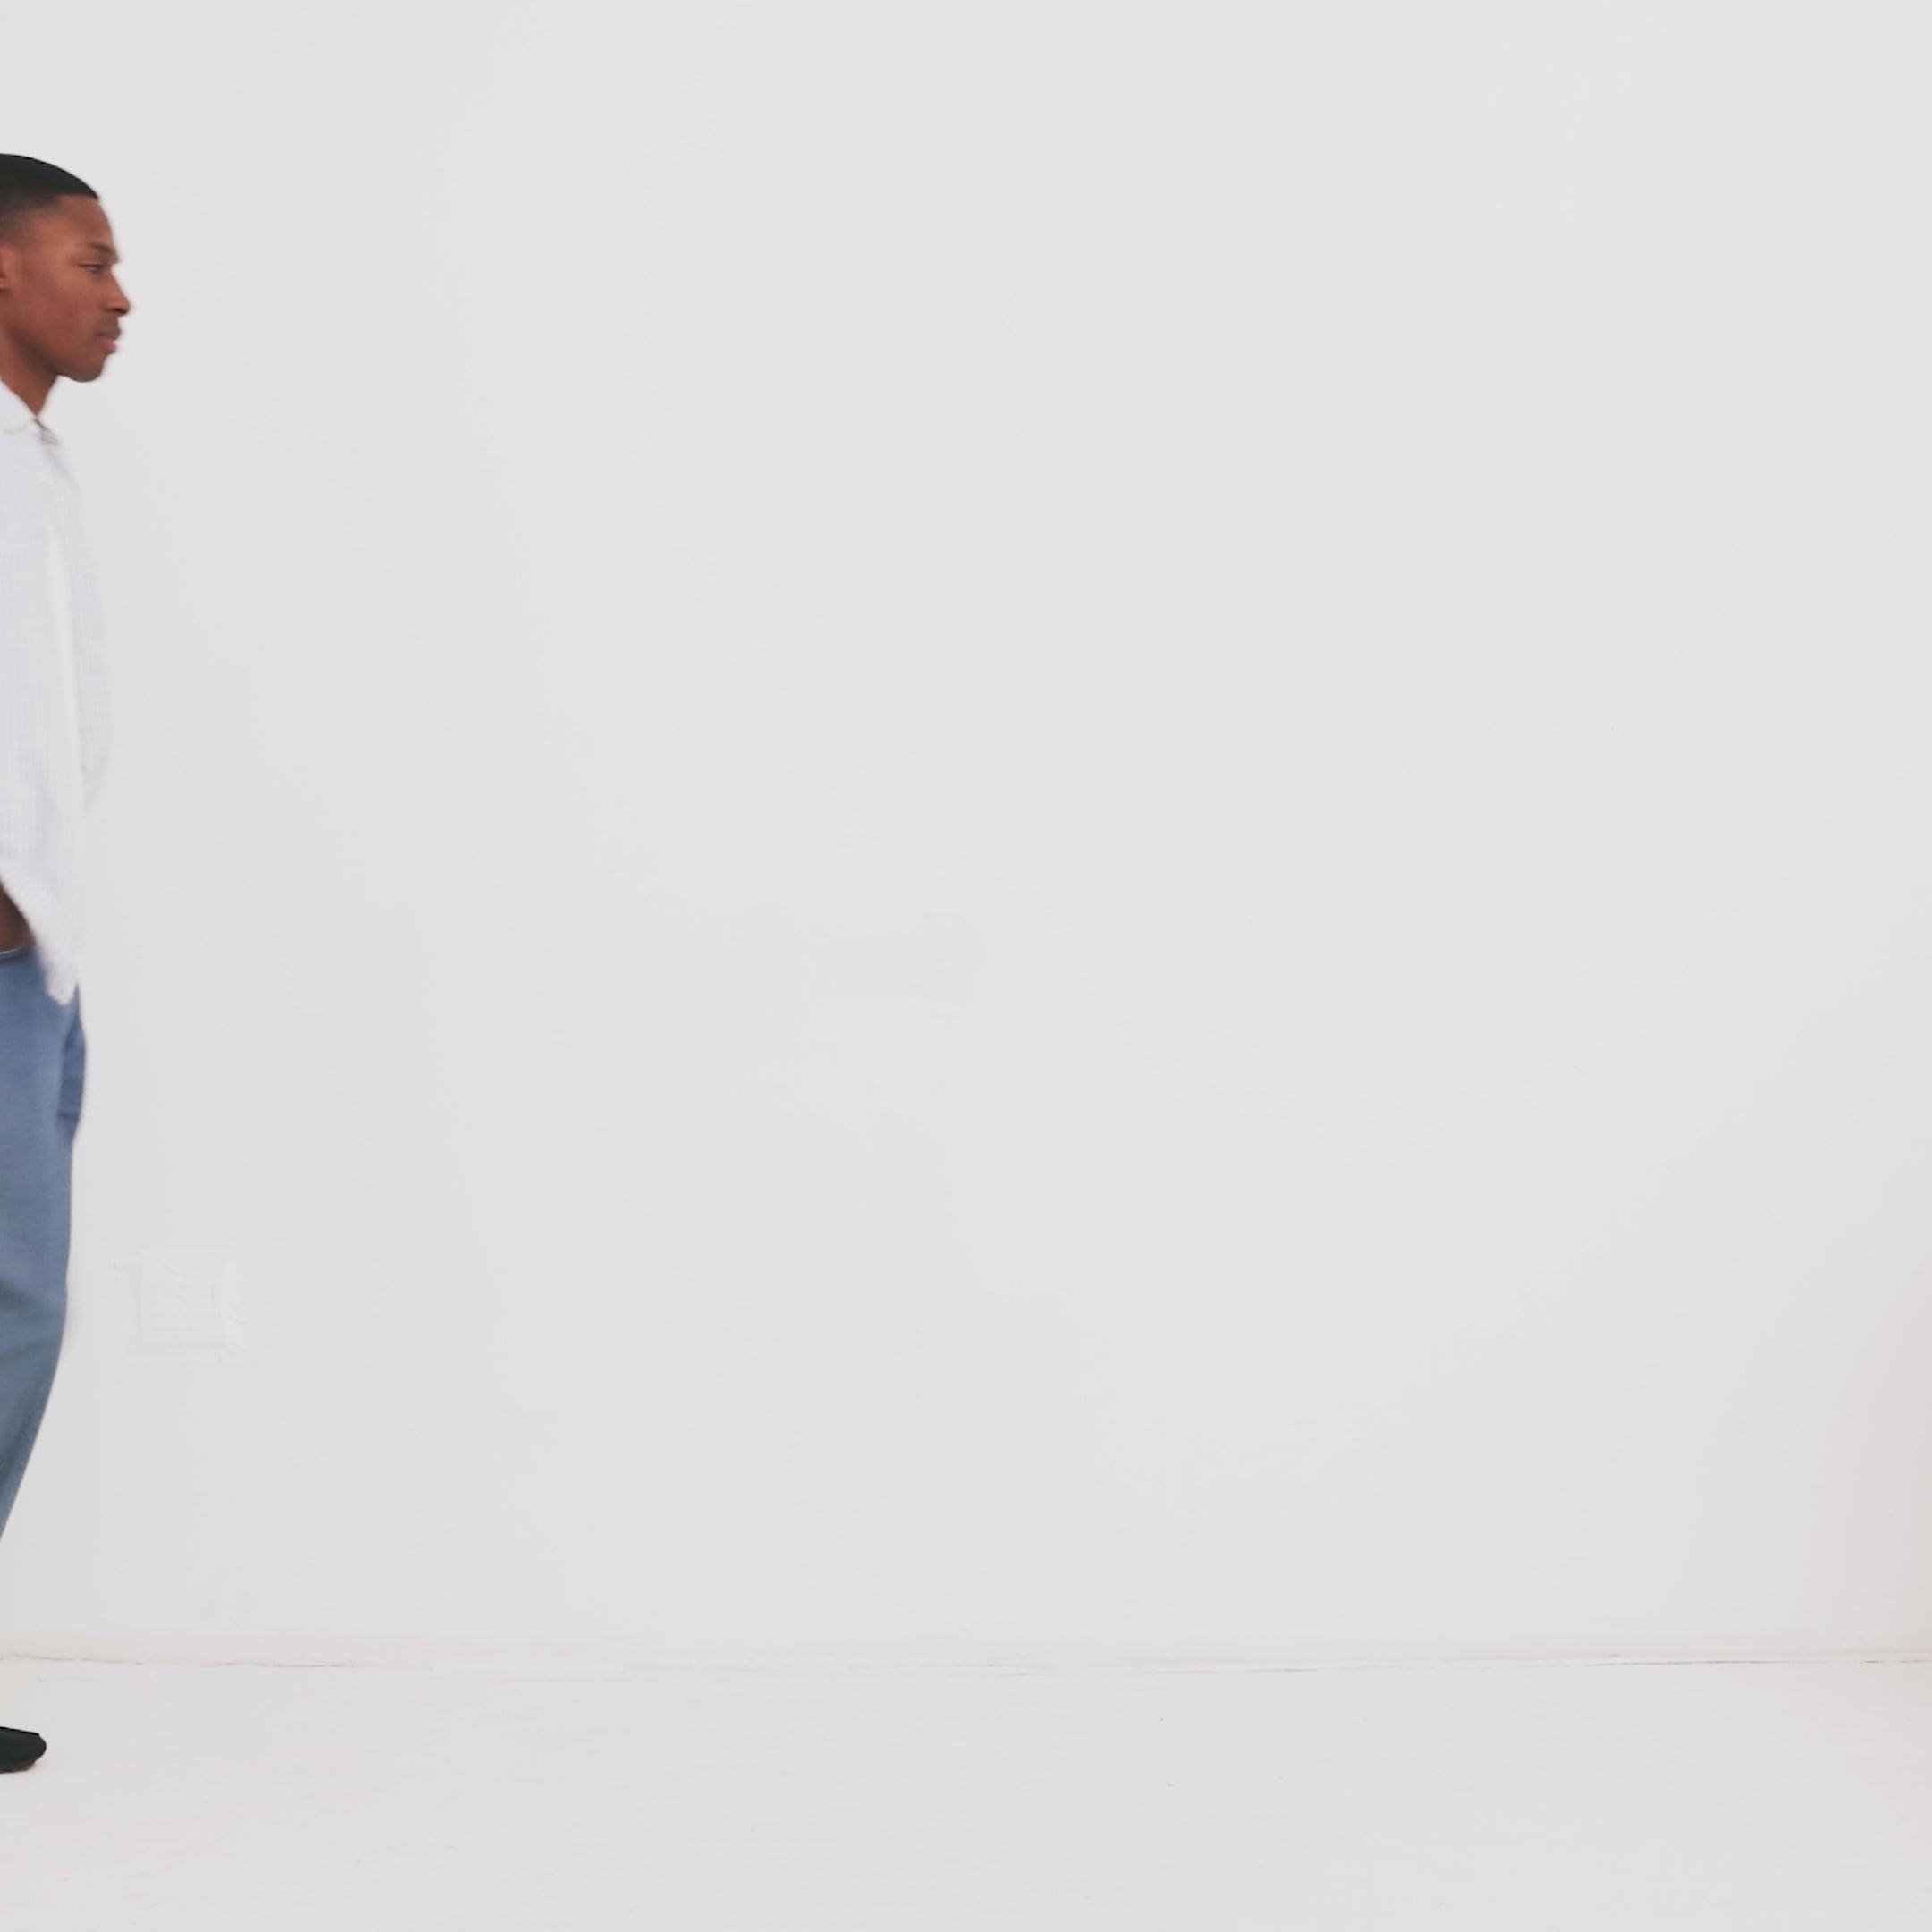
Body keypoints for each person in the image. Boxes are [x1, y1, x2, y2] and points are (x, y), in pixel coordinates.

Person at [0, 156, 130, 1775]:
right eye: (89, 259)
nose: (120, 292)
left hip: (41, 960)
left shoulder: (34, 457)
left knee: (20, 1304)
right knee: (15, 1302)